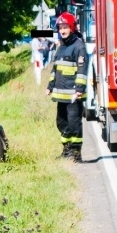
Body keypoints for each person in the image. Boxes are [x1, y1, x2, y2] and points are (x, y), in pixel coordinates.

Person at [46, 12, 88, 162]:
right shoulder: (61, 46)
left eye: (65, 27)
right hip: (60, 95)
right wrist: (50, 86)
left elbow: (82, 70)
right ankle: (66, 151)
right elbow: (55, 68)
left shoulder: (79, 46)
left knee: (74, 123)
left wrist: (79, 90)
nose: (62, 30)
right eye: (60, 28)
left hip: (72, 95)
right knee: (61, 122)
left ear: (72, 27)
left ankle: (76, 154)